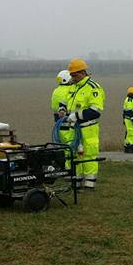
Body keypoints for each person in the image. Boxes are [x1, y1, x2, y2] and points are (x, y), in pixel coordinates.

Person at [63, 58, 104, 189]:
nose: (72, 78)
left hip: (88, 129)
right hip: (73, 129)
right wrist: (62, 109)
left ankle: (89, 184)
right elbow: (66, 102)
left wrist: (76, 116)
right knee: (73, 154)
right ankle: (76, 181)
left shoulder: (93, 88)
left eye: (74, 75)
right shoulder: (73, 87)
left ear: (82, 73)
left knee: (88, 156)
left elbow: (95, 111)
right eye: (71, 75)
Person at [51, 70, 75, 148]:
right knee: (69, 143)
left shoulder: (56, 90)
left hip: (57, 120)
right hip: (68, 120)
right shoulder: (70, 90)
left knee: (59, 143)